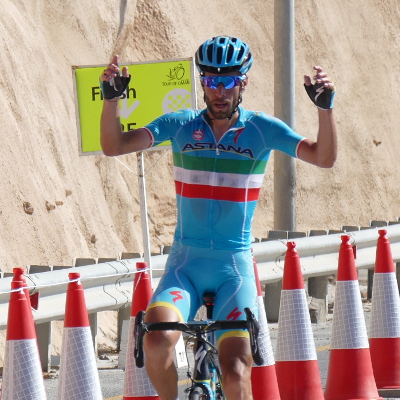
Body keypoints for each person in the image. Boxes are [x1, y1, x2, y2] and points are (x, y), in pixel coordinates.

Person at [100, 36, 337, 400]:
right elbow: (114, 145)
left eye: (228, 81)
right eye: (211, 81)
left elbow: (323, 157)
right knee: (156, 340)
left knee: (236, 371)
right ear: (202, 82)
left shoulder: (262, 129)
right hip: (185, 265)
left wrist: (325, 110)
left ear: (244, 82)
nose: (219, 91)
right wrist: (111, 101)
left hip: (233, 268)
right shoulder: (180, 124)